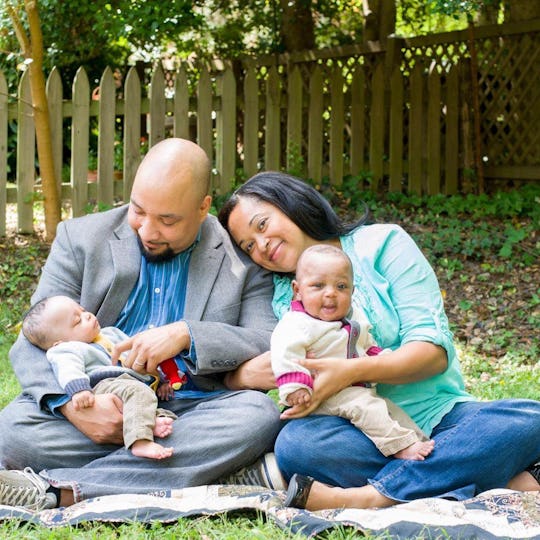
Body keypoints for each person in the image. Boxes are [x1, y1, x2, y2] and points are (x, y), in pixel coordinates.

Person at [218, 171, 540, 511]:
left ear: (291, 203)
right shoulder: (282, 294)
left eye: (263, 225)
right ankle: (485, 473)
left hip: (442, 417)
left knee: (528, 418)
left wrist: (348, 370)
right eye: (248, 246)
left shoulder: (383, 243)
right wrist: (237, 376)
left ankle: (373, 496)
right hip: (359, 431)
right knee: (297, 445)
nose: (262, 245)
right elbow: (266, 364)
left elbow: (432, 353)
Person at [0, 138, 284, 512]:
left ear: (202, 208)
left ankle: (60, 491)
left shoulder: (241, 257)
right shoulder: (80, 239)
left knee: (258, 417)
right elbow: (32, 339)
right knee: (10, 433)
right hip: (95, 403)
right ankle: (204, 470)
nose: (148, 231)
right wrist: (73, 406)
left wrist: (185, 334)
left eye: (167, 220)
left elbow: (265, 339)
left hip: (188, 413)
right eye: (139, 211)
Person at [272, 244, 434, 461]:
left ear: (352, 291)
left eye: (341, 286)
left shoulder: (354, 317)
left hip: (353, 387)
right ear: (297, 290)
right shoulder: (296, 323)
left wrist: (380, 358)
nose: (330, 293)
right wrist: (295, 386)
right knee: (366, 408)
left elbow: (366, 345)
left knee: (388, 409)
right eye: (318, 285)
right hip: (323, 393)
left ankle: (420, 441)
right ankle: (400, 447)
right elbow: (285, 353)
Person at [22, 295, 178, 460]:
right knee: (139, 393)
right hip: (104, 386)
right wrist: (79, 390)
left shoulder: (111, 334)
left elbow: (140, 357)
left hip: (130, 385)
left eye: (83, 311)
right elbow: (68, 368)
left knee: (163, 414)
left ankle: (150, 423)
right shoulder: (67, 349)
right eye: (77, 321)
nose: (87, 316)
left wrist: (161, 380)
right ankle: (140, 441)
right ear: (59, 342)